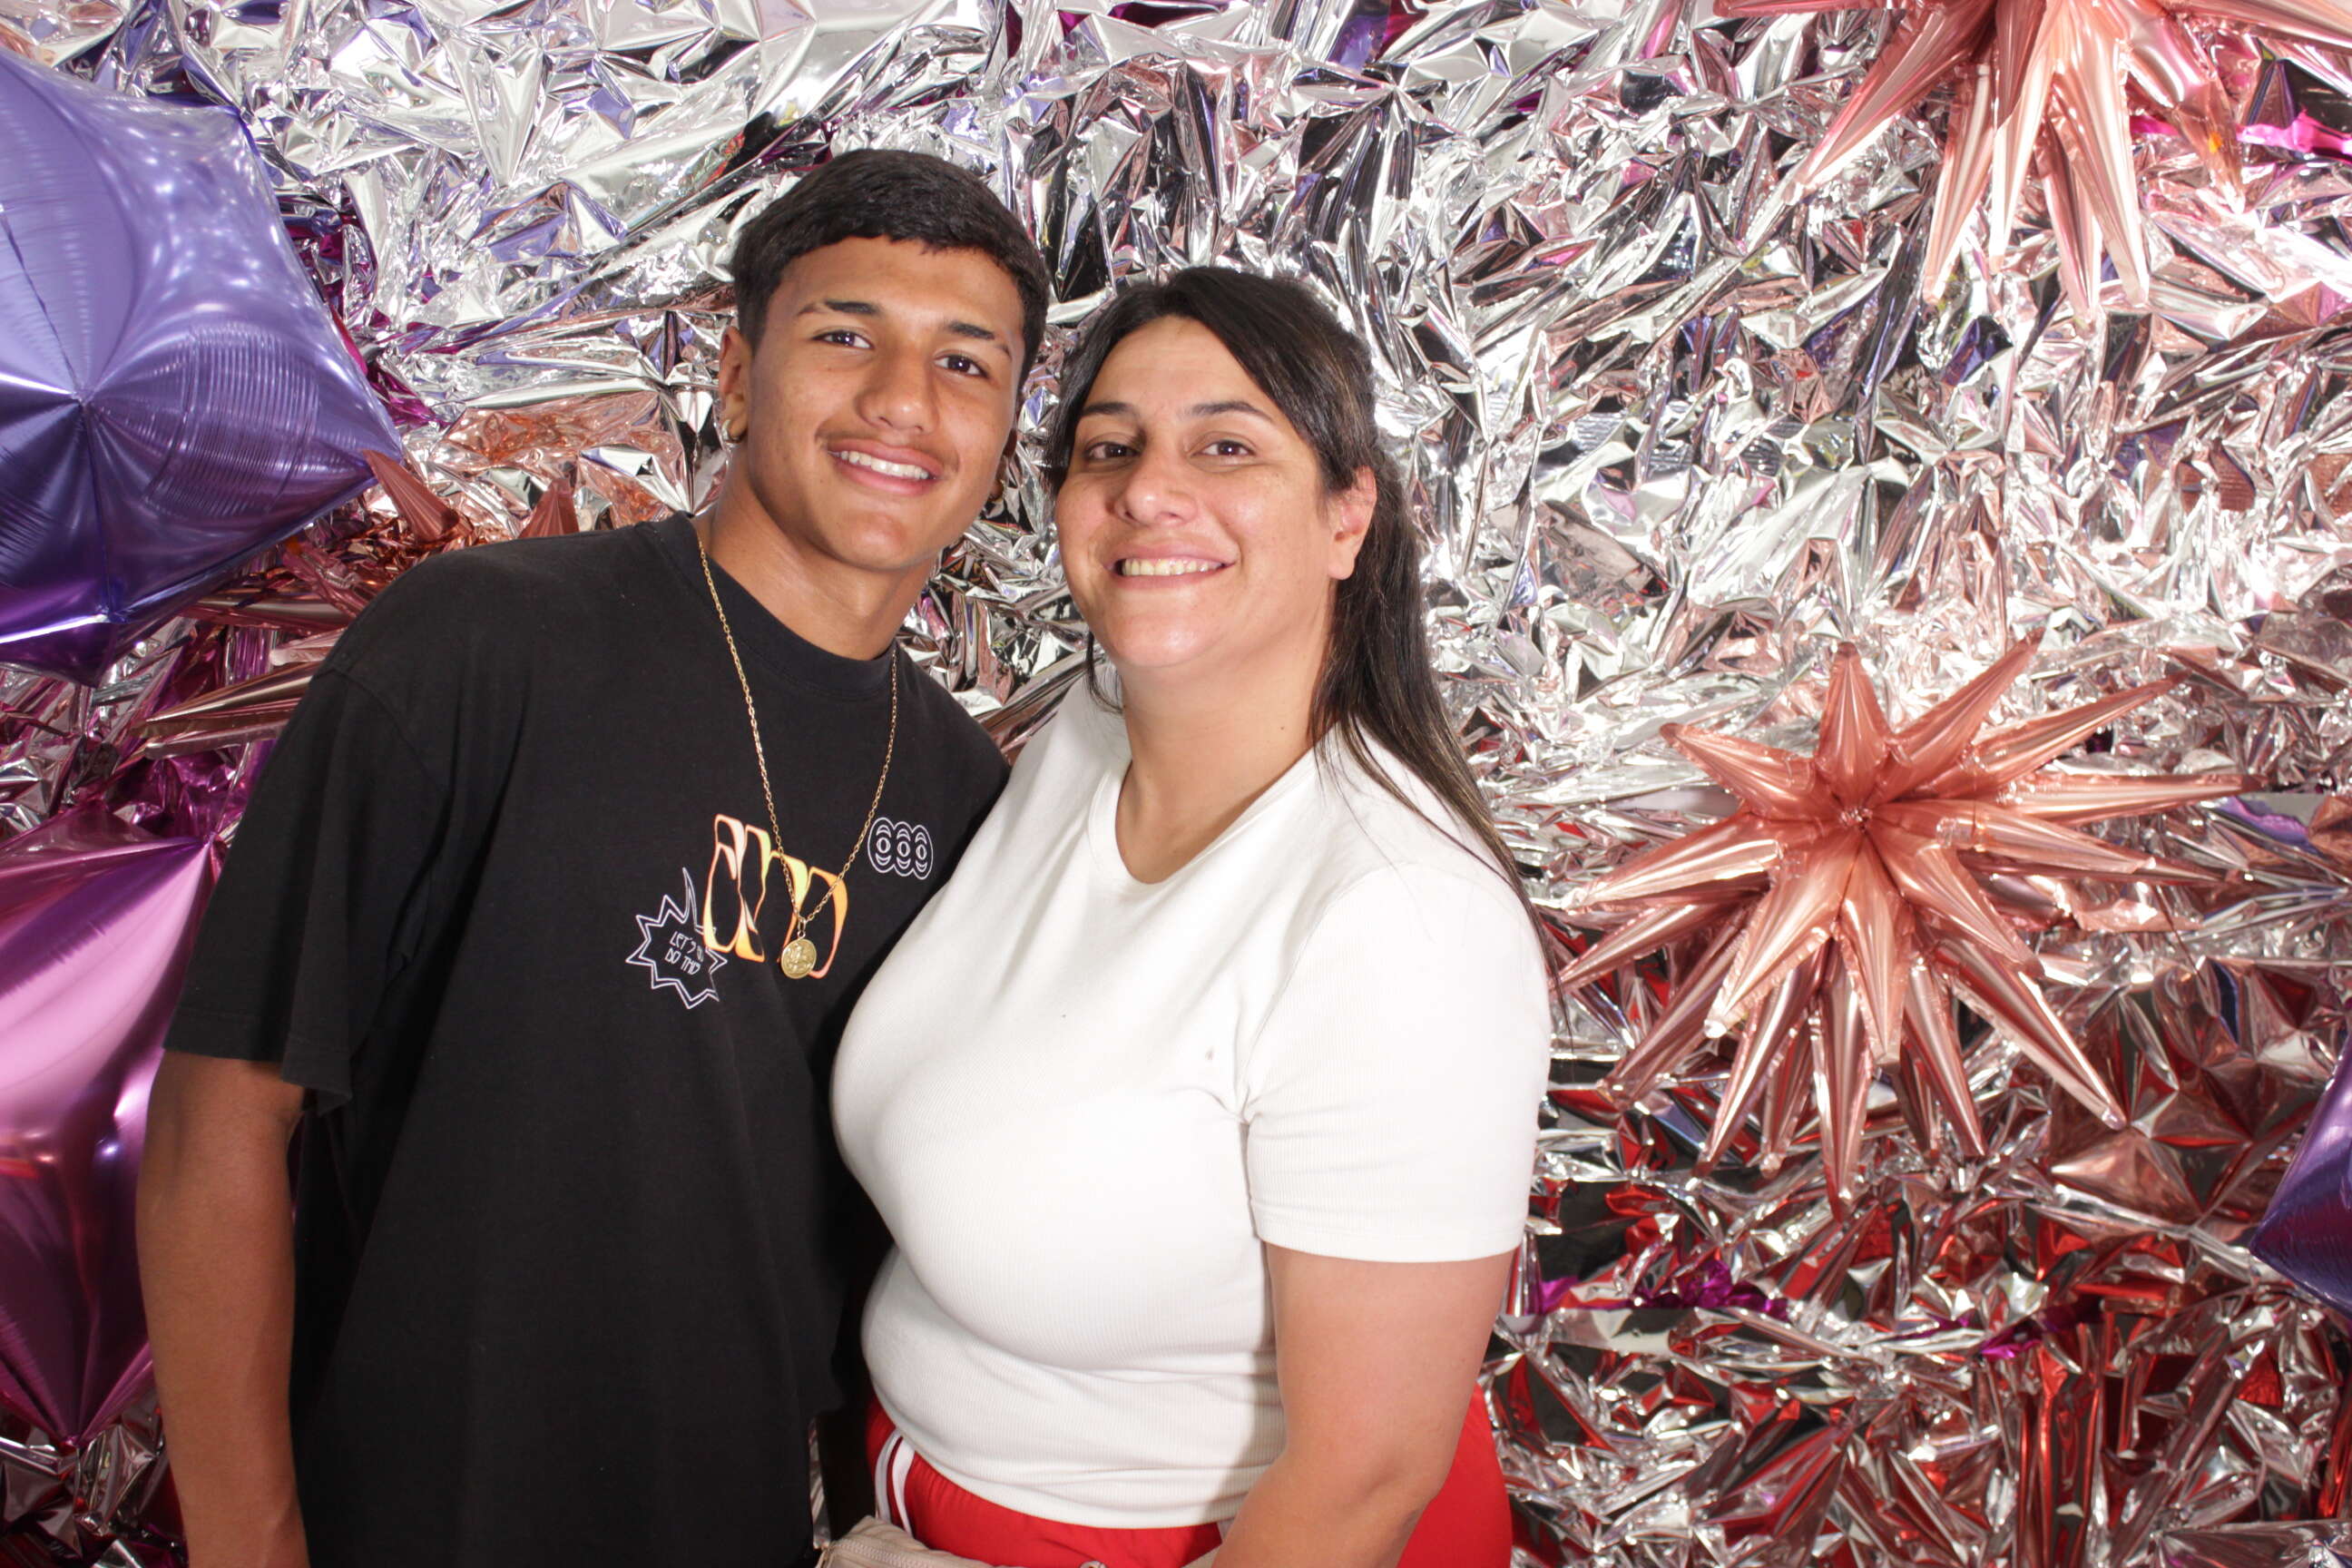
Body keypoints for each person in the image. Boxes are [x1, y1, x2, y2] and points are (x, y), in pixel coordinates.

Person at [134, 149, 1049, 1568]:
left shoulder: (965, 794)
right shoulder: (482, 643)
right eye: (844, 336)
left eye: (965, 364)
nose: (901, 402)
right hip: (415, 1516)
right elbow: (221, 1121)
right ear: (737, 375)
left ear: (1005, 433)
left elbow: (886, 1245)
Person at [832, 268, 1553, 1568]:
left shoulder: (1401, 923)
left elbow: (1362, 1483)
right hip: (917, 1501)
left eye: (1227, 447)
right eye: (1111, 448)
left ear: (1347, 516)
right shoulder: (1091, 735)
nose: (1149, 491)